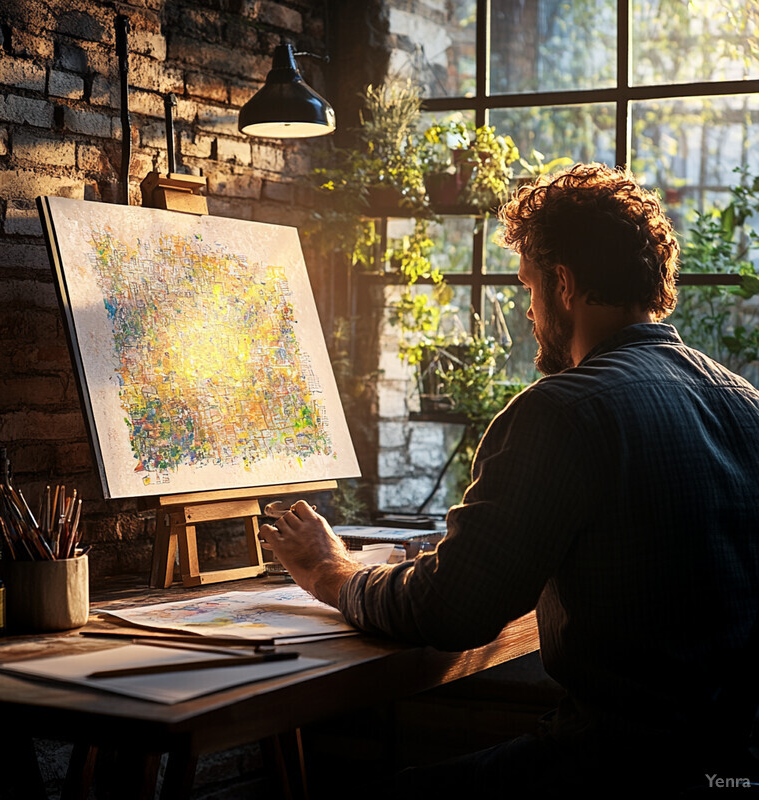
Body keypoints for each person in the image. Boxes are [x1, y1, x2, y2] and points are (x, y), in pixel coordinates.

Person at [260, 163, 759, 795]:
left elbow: (450, 611)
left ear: (564, 282)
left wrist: (332, 572)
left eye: (528, 287)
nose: (527, 312)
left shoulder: (563, 411)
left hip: (613, 770)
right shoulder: (746, 404)